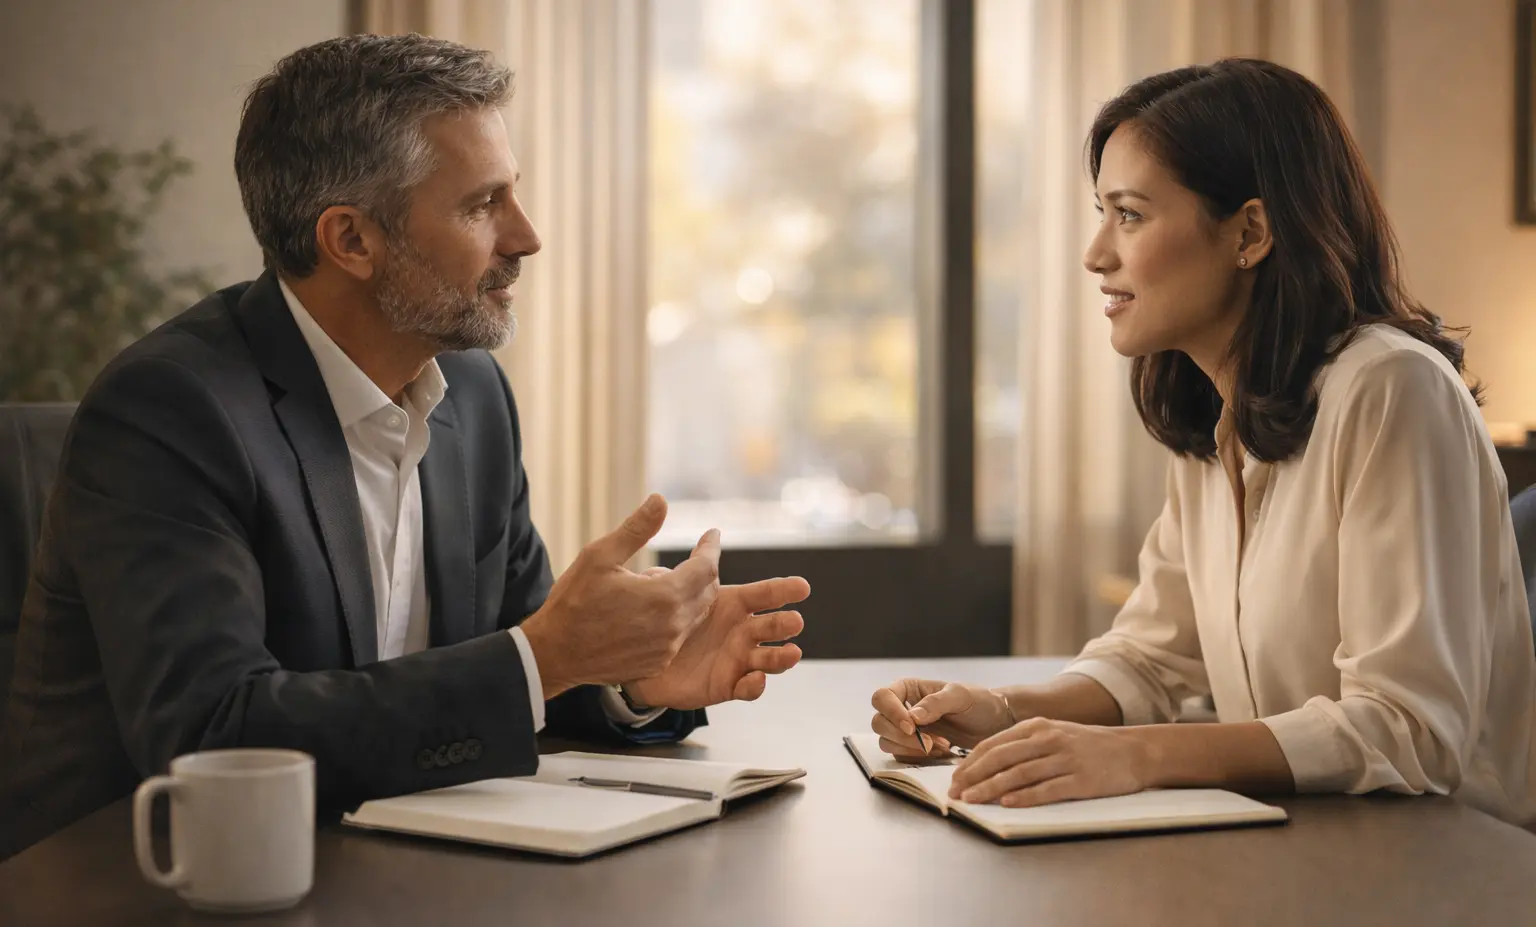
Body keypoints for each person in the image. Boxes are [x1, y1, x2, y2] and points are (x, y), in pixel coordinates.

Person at [0, 33, 809, 859]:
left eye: (513, 195)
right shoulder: (171, 412)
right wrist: (545, 654)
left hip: (385, 871)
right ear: (351, 240)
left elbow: (514, 661)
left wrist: (630, 677)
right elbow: (214, 736)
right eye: (480, 205)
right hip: (136, 885)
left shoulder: (475, 397)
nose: (525, 237)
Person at [870, 58, 1536, 826]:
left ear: (1250, 232)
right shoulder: (1214, 412)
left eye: (1129, 214)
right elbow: (1152, 657)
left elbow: (1411, 730)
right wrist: (1000, 708)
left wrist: (1139, 756)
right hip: (1309, 848)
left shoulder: (1393, 390)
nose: (1096, 254)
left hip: (1448, 865)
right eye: (1102, 212)